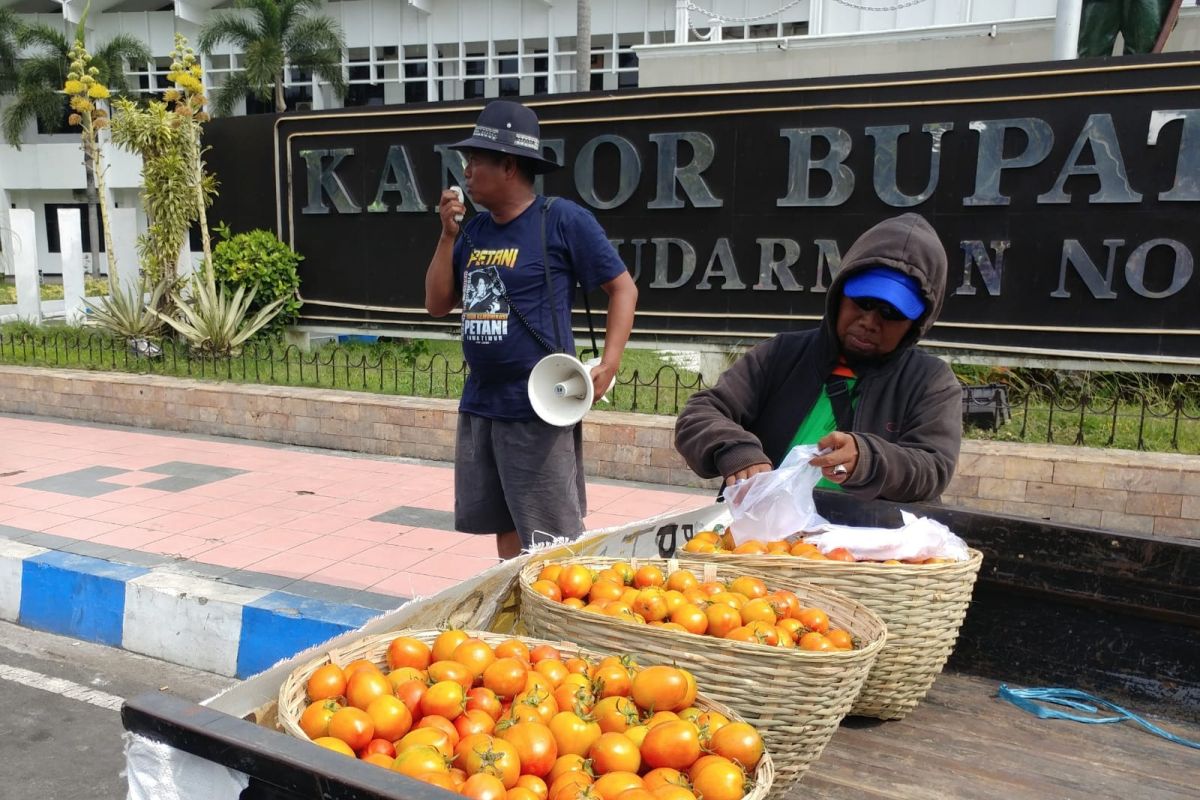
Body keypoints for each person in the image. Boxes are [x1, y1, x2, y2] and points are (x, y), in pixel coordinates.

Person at [425, 100, 638, 559]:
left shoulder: (560, 220)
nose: (466, 171)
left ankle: (552, 617)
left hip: (538, 406)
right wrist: (447, 237)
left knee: (550, 537)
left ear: (508, 165)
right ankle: (516, 614)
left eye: (475, 161)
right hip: (483, 402)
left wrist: (611, 361)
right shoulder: (475, 230)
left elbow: (623, 288)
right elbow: (437, 304)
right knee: (505, 528)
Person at [674, 212, 961, 503]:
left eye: (892, 313)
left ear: (915, 324)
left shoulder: (931, 381)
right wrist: (736, 450)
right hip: (761, 540)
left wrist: (868, 459)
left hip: (867, 540)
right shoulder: (782, 354)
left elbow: (932, 467)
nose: (870, 321)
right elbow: (701, 411)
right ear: (839, 296)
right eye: (864, 302)